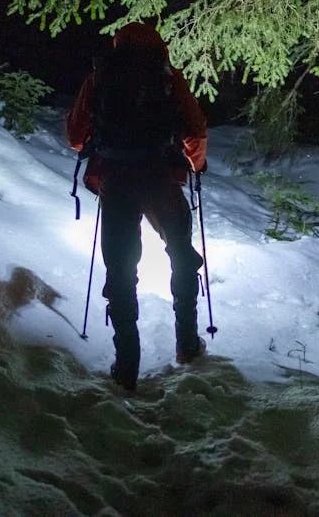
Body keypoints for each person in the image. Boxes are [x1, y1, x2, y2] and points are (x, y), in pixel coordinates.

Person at [66, 21, 208, 391]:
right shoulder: (168, 78)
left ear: (118, 44)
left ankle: (127, 365)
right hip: (161, 179)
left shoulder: (101, 76)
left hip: (117, 182)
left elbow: (75, 135)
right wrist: (196, 162)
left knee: (122, 267)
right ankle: (187, 345)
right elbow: (194, 131)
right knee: (180, 253)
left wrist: (103, 147)